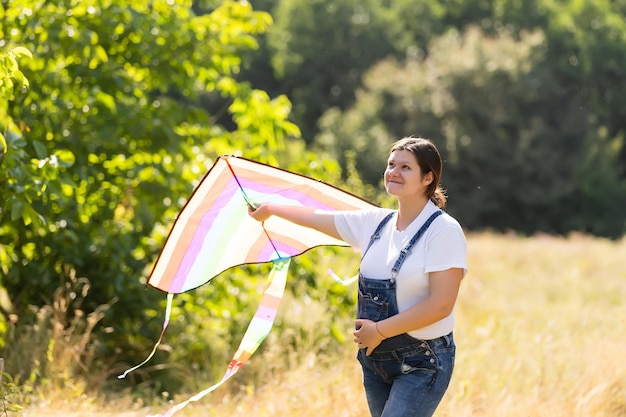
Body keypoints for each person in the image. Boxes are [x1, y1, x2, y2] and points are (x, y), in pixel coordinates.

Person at [248, 137, 467, 417]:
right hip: (375, 360)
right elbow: (316, 217)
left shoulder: (444, 231)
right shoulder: (375, 223)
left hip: (422, 362)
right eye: (391, 164)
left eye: (405, 167)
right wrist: (271, 209)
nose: (394, 172)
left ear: (428, 178)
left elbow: (441, 305)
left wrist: (379, 331)